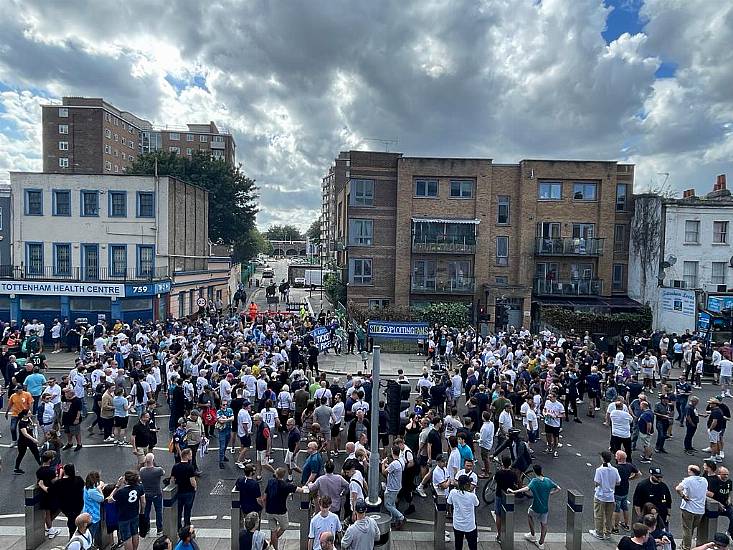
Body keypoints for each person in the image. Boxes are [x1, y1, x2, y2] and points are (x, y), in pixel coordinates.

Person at [509, 464, 561, 550]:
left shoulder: (534, 481)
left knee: (529, 515)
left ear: (534, 472)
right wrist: (551, 493)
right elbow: (559, 488)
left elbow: (526, 489)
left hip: (536, 507)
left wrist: (514, 491)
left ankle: (532, 534)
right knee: (544, 525)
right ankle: (541, 542)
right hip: (545, 508)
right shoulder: (548, 480)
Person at [263, 467, 304, 550]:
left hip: (269, 510)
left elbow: (264, 497)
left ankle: (274, 546)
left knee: (273, 530)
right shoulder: (286, 486)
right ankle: (272, 541)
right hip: (281, 511)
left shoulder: (270, 482)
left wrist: (265, 508)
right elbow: (300, 490)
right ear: (283, 475)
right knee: (284, 526)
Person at [110, 470, 146, 550]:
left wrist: (117, 486)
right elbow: (143, 502)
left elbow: (110, 499)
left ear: (126, 481)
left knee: (127, 537)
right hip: (135, 514)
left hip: (123, 517)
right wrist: (142, 512)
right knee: (135, 533)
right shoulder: (140, 487)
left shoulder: (121, 492)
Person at [590, 451, 622, 540]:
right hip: (611, 496)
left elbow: (597, 482)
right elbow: (618, 482)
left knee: (599, 515)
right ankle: (608, 533)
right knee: (609, 516)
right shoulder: (614, 470)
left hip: (600, 496)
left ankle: (599, 532)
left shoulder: (599, 470)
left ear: (602, 458)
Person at [676, 464, 708, 550]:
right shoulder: (704, 480)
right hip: (700, 510)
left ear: (691, 471)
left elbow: (678, 489)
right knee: (692, 529)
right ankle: (683, 544)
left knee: (687, 529)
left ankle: (686, 547)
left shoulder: (688, 480)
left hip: (689, 508)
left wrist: (683, 496)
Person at [447, 474, 479, 550]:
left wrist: (450, 513)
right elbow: (477, 504)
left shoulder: (453, 492)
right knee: (472, 546)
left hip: (457, 524)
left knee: (458, 544)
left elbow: (449, 503)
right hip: (469, 526)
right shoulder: (471, 496)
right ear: (466, 485)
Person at [613, 450, 640, 534]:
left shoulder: (616, 468)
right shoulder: (629, 465)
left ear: (619, 458)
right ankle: (626, 524)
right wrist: (630, 478)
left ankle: (615, 527)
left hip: (617, 491)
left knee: (616, 510)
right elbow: (639, 474)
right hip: (625, 490)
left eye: (616, 455)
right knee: (625, 507)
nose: (615, 456)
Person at [36, 450, 61, 539]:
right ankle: (50, 528)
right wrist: (59, 474)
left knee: (47, 512)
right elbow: (54, 481)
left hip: (42, 494)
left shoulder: (39, 471)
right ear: (50, 460)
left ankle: (50, 528)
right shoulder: (51, 471)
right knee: (58, 508)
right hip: (50, 493)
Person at [171, 448, 197, 529]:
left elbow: (172, 480)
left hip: (179, 491)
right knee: (187, 510)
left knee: (179, 510)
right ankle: (187, 525)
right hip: (189, 492)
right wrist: (195, 487)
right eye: (190, 455)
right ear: (186, 456)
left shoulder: (175, 467)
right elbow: (192, 480)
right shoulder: (190, 467)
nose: (191, 456)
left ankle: (178, 526)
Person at [140, 452, 165, 536]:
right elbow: (163, 472)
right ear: (153, 460)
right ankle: (159, 529)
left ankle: (147, 528)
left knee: (146, 511)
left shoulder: (142, 470)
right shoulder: (158, 470)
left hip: (146, 494)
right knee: (158, 512)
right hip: (157, 493)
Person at [494, 456, 517, 545]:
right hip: (509, 496)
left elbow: (495, 481)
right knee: (509, 515)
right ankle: (508, 533)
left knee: (498, 515)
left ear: (502, 464)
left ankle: (499, 534)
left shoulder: (499, 473)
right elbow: (515, 482)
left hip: (499, 495)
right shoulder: (513, 474)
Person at [381, 445, 405, 529]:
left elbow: (384, 472)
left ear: (392, 452)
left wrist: (383, 463)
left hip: (392, 487)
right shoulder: (401, 461)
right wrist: (388, 465)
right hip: (398, 486)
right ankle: (393, 520)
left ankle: (400, 517)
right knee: (392, 503)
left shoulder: (394, 463)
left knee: (387, 505)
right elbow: (393, 469)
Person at [14, 408, 41, 474]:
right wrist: (33, 439)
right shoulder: (21, 423)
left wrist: (33, 425)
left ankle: (41, 465)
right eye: (29, 413)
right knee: (21, 454)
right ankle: (16, 468)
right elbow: (25, 434)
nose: (30, 414)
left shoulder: (28, 418)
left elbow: (30, 424)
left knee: (36, 453)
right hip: (23, 441)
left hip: (29, 440)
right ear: (24, 415)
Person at [83, 471, 106, 543]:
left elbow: (101, 483)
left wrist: (99, 486)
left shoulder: (86, 488)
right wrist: (99, 489)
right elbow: (101, 499)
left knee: (89, 533)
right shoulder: (93, 491)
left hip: (87, 512)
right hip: (94, 516)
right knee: (92, 534)